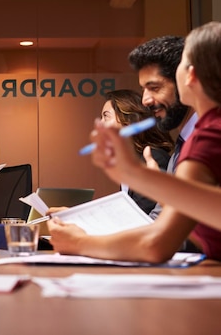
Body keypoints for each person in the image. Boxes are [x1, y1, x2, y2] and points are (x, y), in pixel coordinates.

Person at [48, 22, 221, 262]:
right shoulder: (198, 134)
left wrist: (79, 242)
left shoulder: (210, 134)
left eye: (154, 87)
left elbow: (158, 243)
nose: (146, 100)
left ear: (190, 74)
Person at [128, 36, 198, 219]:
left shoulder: (209, 140)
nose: (145, 100)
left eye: (154, 88)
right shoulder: (181, 146)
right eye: (144, 89)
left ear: (186, 81)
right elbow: (158, 220)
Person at [100, 89, 173, 214]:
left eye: (106, 116)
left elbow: (138, 216)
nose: (101, 123)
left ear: (129, 121)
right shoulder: (129, 161)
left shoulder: (153, 158)